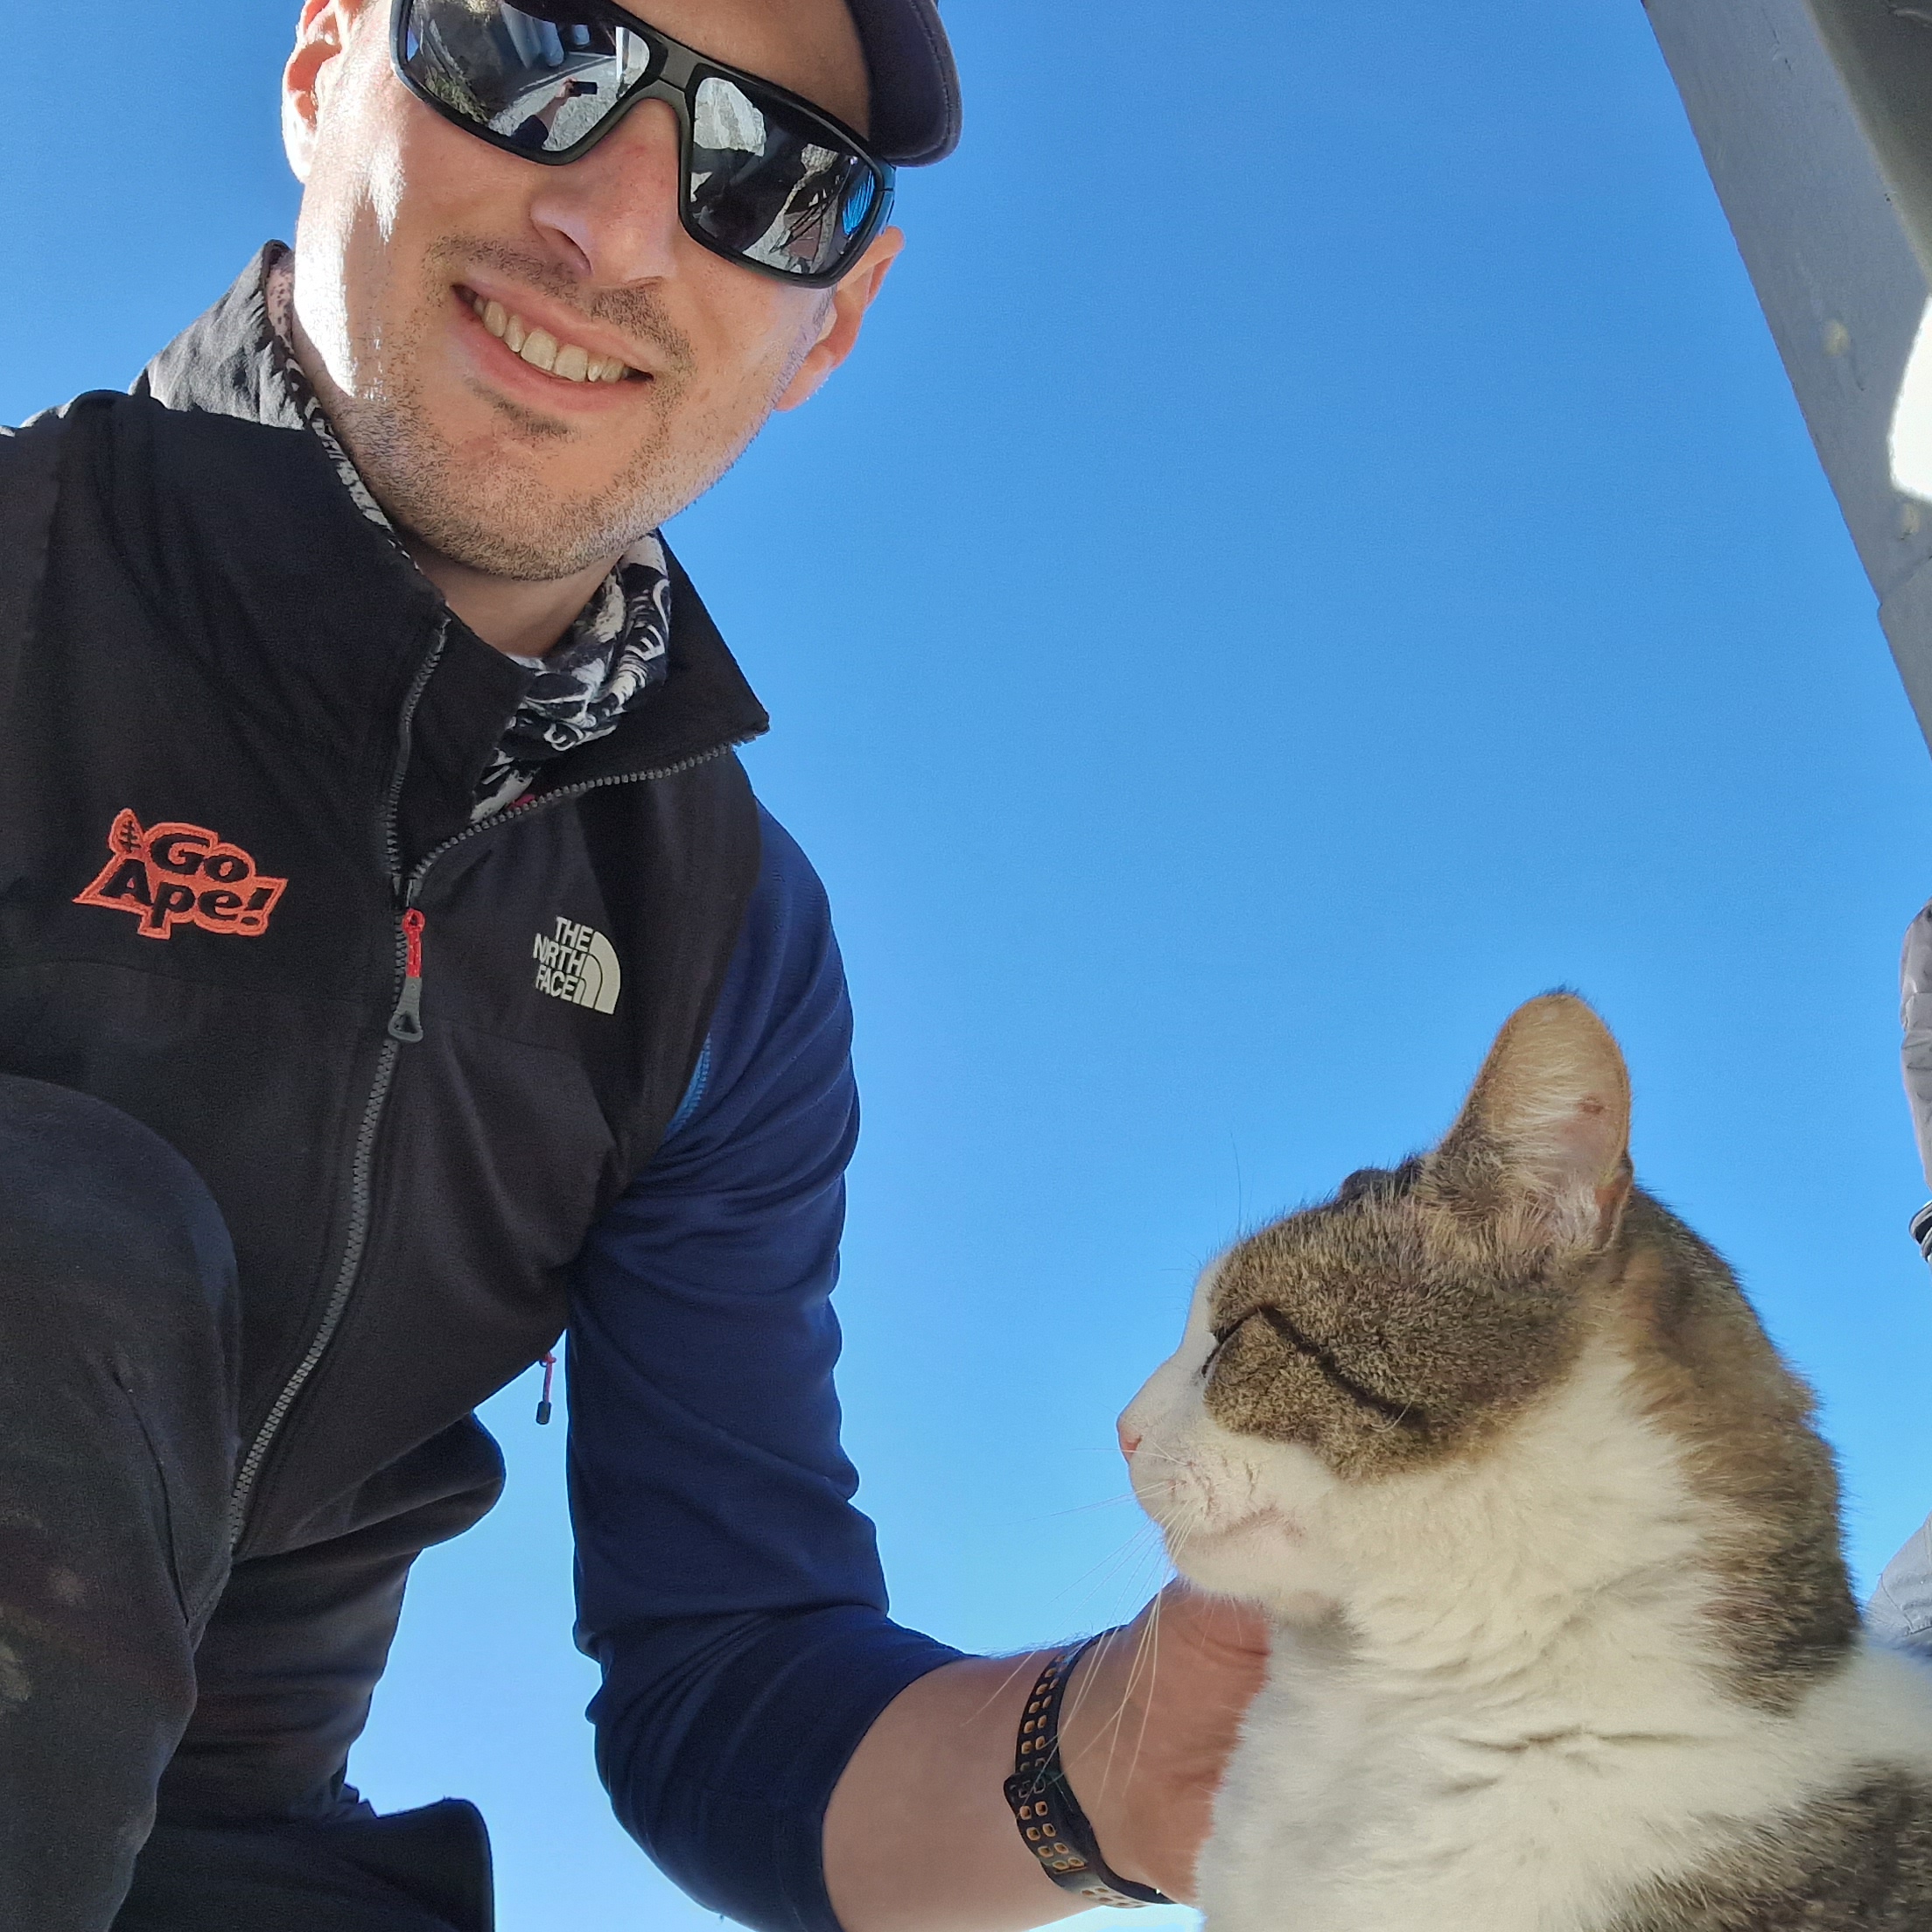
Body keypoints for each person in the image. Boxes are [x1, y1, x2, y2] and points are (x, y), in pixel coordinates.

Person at [0, 2, 1271, 1928]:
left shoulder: (723, 943)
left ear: (829, 325)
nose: (615, 222)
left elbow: (728, 1673)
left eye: (770, 176)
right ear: (325, 63)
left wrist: (1108, 1756)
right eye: (533, 54)